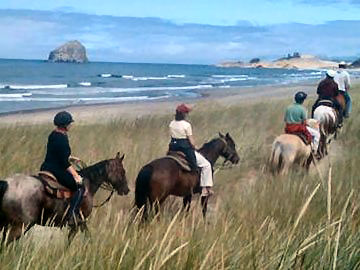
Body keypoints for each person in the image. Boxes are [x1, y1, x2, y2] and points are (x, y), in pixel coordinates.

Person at [40, 111, 85, 225]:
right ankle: (71, 215)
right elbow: (64, 163)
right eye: (70, 123)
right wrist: (76, 176)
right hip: (57, 170)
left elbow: (57, 153)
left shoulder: (54, 134)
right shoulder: (62, 138)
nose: (71, 125)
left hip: (47, 166)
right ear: (65, 125)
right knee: (80, 187)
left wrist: (72, 158)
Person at [168, 103, 214, 197]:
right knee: (206, 165)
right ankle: (205, 189)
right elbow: (191, 141)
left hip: (173, 148)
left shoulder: (171, 123)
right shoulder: (187, 125)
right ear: (184, 114)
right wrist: (195, 147)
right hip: (185, 148)